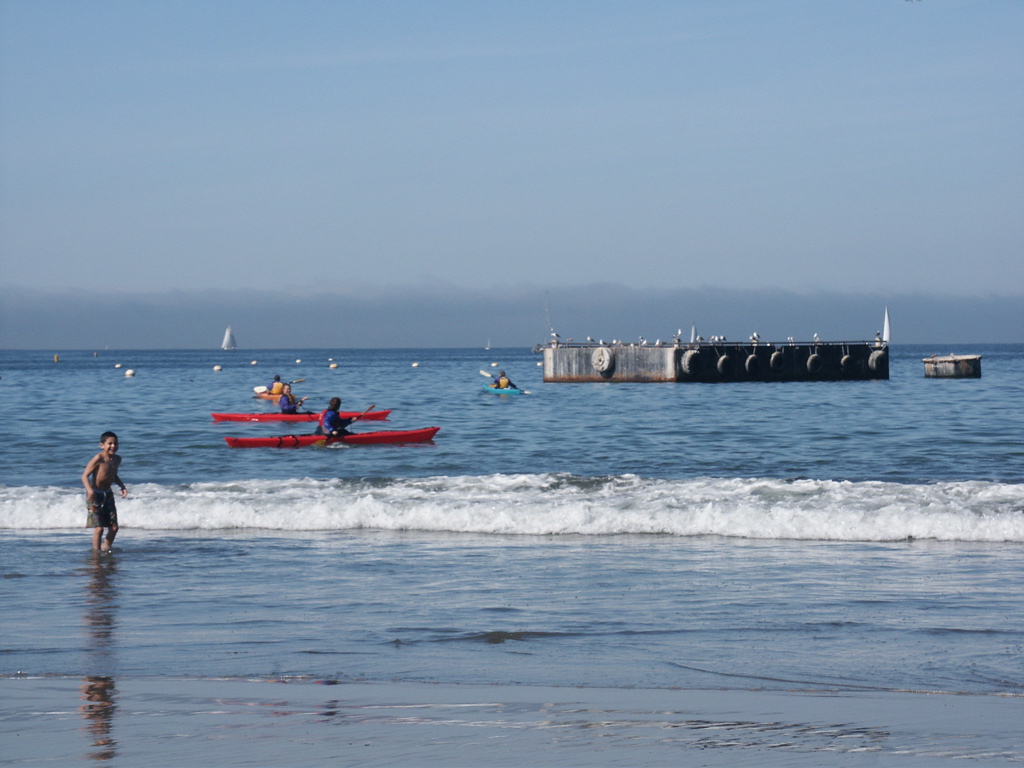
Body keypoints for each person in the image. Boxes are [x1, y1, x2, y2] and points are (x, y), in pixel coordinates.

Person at [81, 431, 127, 552]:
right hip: (95, 495)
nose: (113, 446)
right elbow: (84, 476)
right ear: (102, 445)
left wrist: (122, 486)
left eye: (115, 443)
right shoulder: (98, 458)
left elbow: (113, 475)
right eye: (110, 443)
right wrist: (90, 491)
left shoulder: (117, 459)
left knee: (114, 527)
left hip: (108, 494)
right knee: (99, 528)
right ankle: (96, 553)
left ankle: (105, 548)